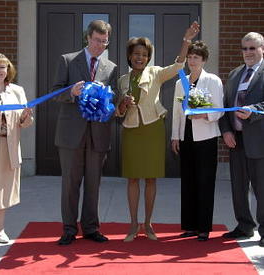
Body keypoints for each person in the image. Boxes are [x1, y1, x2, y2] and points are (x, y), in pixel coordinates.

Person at [116, 22, 200, 242]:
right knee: (133, 179)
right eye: (136, 54)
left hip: (153, 130)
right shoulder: (122, 80)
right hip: (132, 132)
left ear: (148, 57)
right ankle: (133, 224)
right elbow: (118, 112)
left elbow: (178, 65)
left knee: (151, 179)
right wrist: (123, 103)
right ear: (130, 56)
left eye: (144, 54)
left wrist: (186, 40)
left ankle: (148, 224)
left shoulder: (155, 73)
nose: (140, 58)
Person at [52, 20, 117, 245]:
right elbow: (55, 93)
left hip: (98, 134)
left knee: (93, 183)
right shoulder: (68, 60)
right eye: (97, 40)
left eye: (105, 41)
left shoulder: (112, 68)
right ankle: (69, 229)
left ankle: (91, 228)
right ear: (87, 38)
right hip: (71, 134)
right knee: (70, 184)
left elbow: (112, 100)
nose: (100, 45)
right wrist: (72, 92)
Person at [171, 41, 224, 241]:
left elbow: (219, 109)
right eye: (190, 57)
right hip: (186, 136)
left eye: (196, 57)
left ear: (204, 60)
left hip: (206, 138)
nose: (192, 61)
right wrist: (175, 136)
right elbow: (177, 112)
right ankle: (190, 226)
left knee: (205, 182)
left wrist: (203, 115)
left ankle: (203, 227)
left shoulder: (213, 80)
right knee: (188, 182)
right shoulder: (180, 82)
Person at [219, 32, 264, 247]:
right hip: (236, 140)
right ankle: (244, 225)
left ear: (262, 49)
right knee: (238, 186)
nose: (248, 53)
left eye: (252, 48)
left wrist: (254, 111)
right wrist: (226, 131)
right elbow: (225, 105)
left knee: (261, 187)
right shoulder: (235, 74)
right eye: (244, 48)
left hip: (259, 140)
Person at [0, 53, 33, 244]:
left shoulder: (17, 91)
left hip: (8, 147)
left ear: (8, 70)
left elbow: (26, 122)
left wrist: (25, 117)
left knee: (1, 191)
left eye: (2, 67)